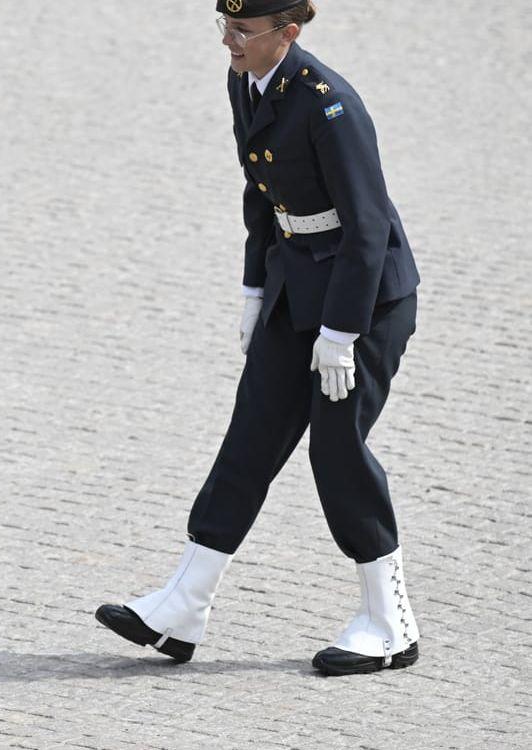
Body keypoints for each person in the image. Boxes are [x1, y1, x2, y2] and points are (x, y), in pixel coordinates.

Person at [95, 0, 422, 676]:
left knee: (337, 450)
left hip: (364, 298)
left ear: (288, 33)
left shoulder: (331, 106)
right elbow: (261, 192)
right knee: (250, 439)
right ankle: (184, 605)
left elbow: (366, 228)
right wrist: (253, 288)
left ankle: (390, 623)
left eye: (243, 31)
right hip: (292, 282)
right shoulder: (246, 80)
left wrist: (342, 331)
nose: (229, 41)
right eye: (225, 26)